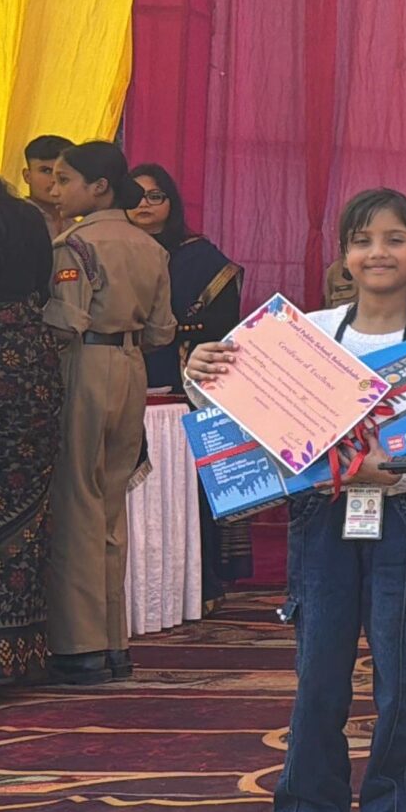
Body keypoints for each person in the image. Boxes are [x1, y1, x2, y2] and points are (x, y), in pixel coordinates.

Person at [188, 188, 406, 812]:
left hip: (404, 517)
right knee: (319, 669)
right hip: (321, 515)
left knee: (400, 670)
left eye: (395, 239)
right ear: (343, 256)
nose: (378, 253)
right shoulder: (306, 335)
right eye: (362, 240)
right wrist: (200, 373)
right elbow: (232, 404)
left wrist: (397, 474)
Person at [42, 142, 174, 686]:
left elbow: (64, 321)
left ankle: (81, 645)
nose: (55, 190)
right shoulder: (151, 247)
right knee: (112, 505)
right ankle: (115, 641)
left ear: (98, 187)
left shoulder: (74, 244)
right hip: (132, 366)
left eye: (64, 180)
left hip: (86, 364)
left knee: (78, 501)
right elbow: (162, 330)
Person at [128, 164, 251, 602]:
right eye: (135, 195)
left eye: (155, 196)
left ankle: (198, 582)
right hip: (122, 374)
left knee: (188, 489)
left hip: (186, 383)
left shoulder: (200, 258)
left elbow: (223, 327)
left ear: (171, 203)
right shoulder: (109, 248)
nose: (144, 204)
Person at [0, 176, 61, 687]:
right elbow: (44, 286)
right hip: (29, 363)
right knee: (25, 513)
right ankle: (18, 654)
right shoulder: (27, 217)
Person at [21, 135, 72, 238]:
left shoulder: (75, 226)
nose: (55, 179)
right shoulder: (10, 220)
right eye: (46, 171)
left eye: (63, 173)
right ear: (27, 176)